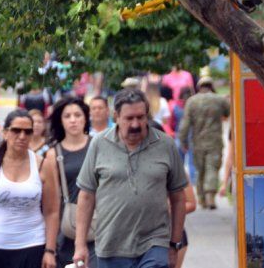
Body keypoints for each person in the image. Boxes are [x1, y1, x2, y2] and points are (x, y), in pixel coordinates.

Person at [73, 89, 188, 268]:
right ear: (116, 116)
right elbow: (86, 195)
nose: (136, 124)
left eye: (141, 117)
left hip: (154, 243)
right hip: (110, 246)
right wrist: (80, 245)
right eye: (129, 118)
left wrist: (174, 244)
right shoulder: (99, 144)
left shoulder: (165, 145)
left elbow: (179, 198)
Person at [0, 109, 59, 268]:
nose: (22, 136)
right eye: (16, 130)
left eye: (28, 132)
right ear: (5, 132)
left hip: (32, 246)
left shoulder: (42, 165)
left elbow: (52, 211)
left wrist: (50, 251)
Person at [43, 97, 96, 268]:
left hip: (99, 221)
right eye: (67, 116)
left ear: (85, 118)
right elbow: (51, 202)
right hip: (68, 226)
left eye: (77, 115)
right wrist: (49, 248)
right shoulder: (54, 153)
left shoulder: (98, 145)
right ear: (60, 120)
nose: (73, 120)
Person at [178, 76, 230, 209]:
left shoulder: (191, 101)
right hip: (214, 141)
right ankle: (210, 196)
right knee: (212, 168)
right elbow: (228, 113)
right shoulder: (219, 100)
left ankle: (201, 199)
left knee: (200, 170)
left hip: (197, 142)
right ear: (211, 86)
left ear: (199, 87)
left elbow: (185, 124)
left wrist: (183, 141)